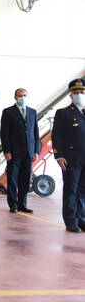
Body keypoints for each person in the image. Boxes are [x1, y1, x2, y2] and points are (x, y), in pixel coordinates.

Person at [52, 78, 85, 233]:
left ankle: (82, 219)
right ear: (70, 95)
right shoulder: (63, 113)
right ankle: (71, 221)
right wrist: (58, 156)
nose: (79, 94)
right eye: (76, 92)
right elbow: (56, 135)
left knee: (83, 191)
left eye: (82, 92)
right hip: (71, 159)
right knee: (71, 190)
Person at [0, 88, 40, 213]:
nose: (22, 97)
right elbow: (4, 133)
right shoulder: (8, 112)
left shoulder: (32, 112)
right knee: (12, 179)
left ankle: (23, 204)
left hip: (29, 152)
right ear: (15, 97)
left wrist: (36, 151)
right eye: (19, 95)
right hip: (14, 152)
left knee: (25, 180)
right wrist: (7, 151)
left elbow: (35, 133)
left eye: (24, 95)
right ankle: (13, 205)